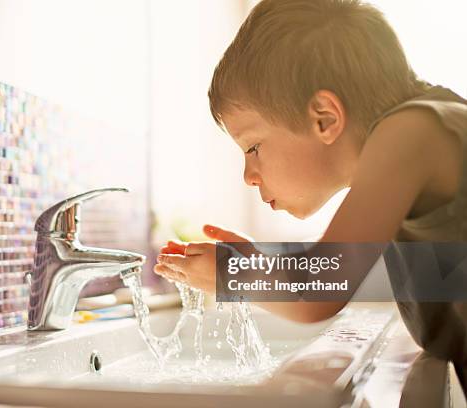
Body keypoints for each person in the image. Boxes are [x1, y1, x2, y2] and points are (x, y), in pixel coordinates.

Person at [153, 0, 467, 393]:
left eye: (253, 148)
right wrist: (258, 266)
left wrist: (232, 274)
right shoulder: (421, 132)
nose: (248, 177)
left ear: (325, 117)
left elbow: (324, 285)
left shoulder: (413, 131)